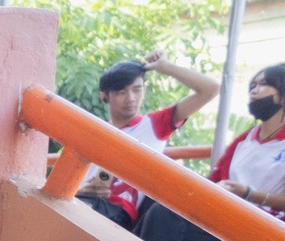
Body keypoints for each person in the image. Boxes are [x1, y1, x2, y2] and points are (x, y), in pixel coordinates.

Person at [138, 64, 285, 241]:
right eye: (252, 86)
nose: (254, 92)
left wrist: (247, 193)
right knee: (156, 206)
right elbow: (213, 180)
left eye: (263, 85)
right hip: (223, 218)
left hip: (261, 226)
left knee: (166, 218)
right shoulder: (244, 140)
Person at [78, 51, 219, 229]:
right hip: (82, 201)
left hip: (117, 213)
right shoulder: (92, 132)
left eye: (137, 89)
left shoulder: (153, 125)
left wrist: (167, 68)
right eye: (121, 92)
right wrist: (82, 190)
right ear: (104, 96)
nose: (131, 98)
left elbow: (211, 89)